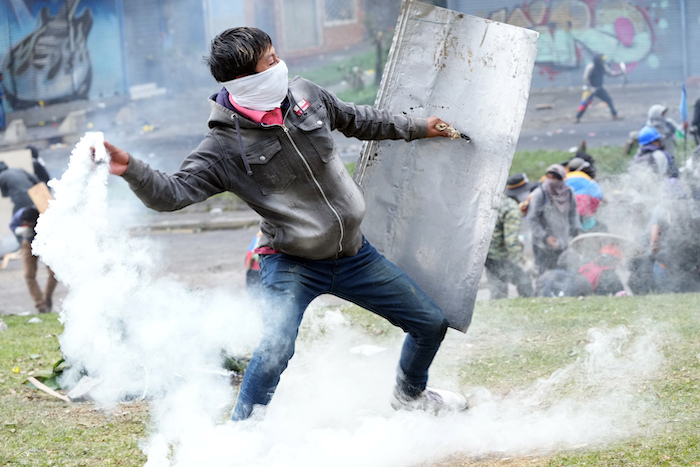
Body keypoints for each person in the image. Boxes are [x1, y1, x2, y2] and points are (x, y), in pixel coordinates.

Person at [99, 27, 468, 420]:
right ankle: (243, 437)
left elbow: (358, 119)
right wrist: (131, 169)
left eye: (276, 56)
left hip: (354, 255)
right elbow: (171, 194)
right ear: (244, 79)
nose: (280, 66)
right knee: (276, 348)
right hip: (291, 262)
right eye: (269, 62)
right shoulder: (222, 148)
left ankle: (410, 398)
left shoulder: (307, 96)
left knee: (430, 322)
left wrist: (418, 127)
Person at [527, 164, 581, 275]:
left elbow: (573, 214)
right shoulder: (540, 194)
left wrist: (576, 230)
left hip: (562, 241)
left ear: (561, 179)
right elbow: (532, 219)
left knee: (562, 274)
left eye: (555, 178)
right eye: (549, 177)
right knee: (544, 275)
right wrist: (545, 237)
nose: (551, 181)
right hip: (543, 245)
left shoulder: (569, 193)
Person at [9, 206, 58, 313]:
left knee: (54, 272)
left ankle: (47, 296)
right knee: (28, 275)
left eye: (29, 224)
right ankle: (41, 305)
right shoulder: (19, 215)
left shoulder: (46, 217)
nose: (27, 225)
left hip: (46, 242)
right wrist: (19, 231)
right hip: (28, 243)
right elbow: (12, 226)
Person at [484, 192, 533, 299]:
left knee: (497, 288)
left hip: (486, 253)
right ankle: (529, 303)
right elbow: (511, 241)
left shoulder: (497, 200)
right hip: (498, 255)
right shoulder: (512, 209)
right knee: (523, 280)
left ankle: (495, 309)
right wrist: (522, 261)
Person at [574, 54, 624, 123]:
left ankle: (614, 115)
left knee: (608, 100)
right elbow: (585, 78)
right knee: (585, 104)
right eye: (601, 59)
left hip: (599, 88)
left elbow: (610, 73)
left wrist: (620, 73)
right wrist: (590, 88)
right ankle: (577, 118)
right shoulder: (591, 67)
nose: (603, 61)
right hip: (589, 90)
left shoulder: (602, 66)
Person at [565, 157, 604, 231]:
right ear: (582, 169)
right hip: (585, 219)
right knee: (602, 228)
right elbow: (600, 198)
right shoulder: (589, 181)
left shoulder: (563, 178)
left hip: (565, 219)